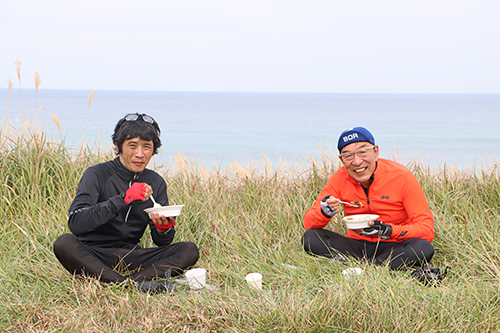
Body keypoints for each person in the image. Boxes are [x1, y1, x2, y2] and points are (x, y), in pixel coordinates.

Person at [53, 113, 199, 293]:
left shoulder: (156, 182)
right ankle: (132, 284)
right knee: (63, 243)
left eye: (147, 147)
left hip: (132, 256)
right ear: (117, 146)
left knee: (189, 250)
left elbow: (163, 242)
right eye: (132, 146)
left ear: (153, 150)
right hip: (94, 254)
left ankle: (124, 282)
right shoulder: (96, 174)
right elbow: (76, 223)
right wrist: (124, 199)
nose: (140, 154)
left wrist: (164, 229)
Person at [302, 126, 434, 270]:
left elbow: (426, 229)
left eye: (362, 152)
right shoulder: (339, 178)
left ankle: (362, 269)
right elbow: (309, 224)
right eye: (348, 155)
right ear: (341, 159)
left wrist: (388, 230)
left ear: (376, 151)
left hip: (394, 245)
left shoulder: (402, 177)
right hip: (356, 245)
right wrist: (324, 212)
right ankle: (376, 268)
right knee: (310, 237)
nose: (357, 161)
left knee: (423, 247)